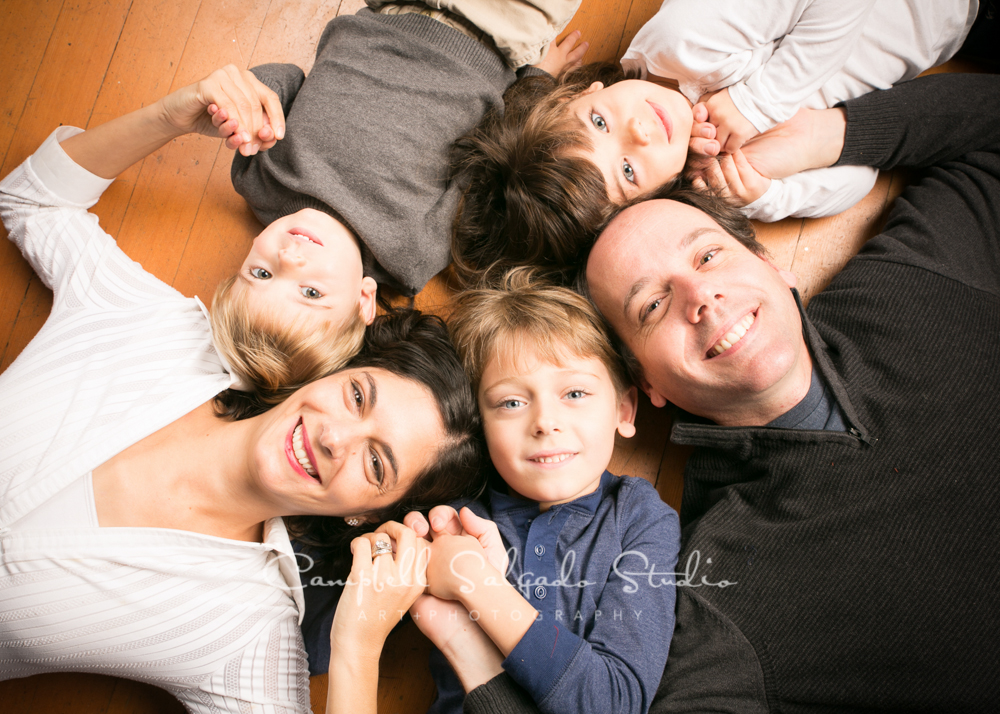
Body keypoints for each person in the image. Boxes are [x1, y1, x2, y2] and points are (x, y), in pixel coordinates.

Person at [450, 72, 1000, 711]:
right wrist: (471, 633)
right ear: (643, 384)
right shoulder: (721, 599)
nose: (700, 296)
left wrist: (818, 136)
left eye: (708, 257)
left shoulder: (912, 285)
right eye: (653, 304)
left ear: (767, 262)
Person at [0, 68, 483, 713]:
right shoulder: (158, 326)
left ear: (365, 514)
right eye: (359, 396)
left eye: (375, 463)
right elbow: (34, 200)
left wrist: (359, 642)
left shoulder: (244, 628)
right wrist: (174, 114)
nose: (335, 436)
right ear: (339, 370)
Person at [449, 0, 978, 280]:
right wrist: (766, 189)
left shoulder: (685, 40)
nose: (639, 130)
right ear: (651, 203)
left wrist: (760, 102)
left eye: (599, 123)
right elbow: (860, 173)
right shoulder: (721, 181)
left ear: (578, 93)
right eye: (628, 172)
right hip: (960, 27)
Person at [409, 268, 680, 714]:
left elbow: (613, 703)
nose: (544, 422)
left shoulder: (639, 518)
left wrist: (478, 585)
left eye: (574, 393)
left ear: (624, 410)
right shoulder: (453, 517)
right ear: (480, 427)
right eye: (511, 403)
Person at [230, 0, 588, 296]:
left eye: (261, 273)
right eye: (311, 292)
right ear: (362, 300)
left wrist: (249, 98)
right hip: (495, 34)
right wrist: (538, 79)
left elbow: (290, 81)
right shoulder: (409, 256)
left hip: (389, 10)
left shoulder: (259, 180)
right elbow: (488, 163)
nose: (290, 259)